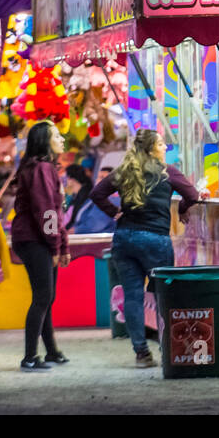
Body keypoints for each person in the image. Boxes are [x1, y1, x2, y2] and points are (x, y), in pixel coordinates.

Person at [91, 129, 204, 368]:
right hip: (155, 240)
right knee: (166, 295)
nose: (165, 147)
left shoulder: (124, 172)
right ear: (152, 148)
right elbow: (192, 195)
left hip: (124, 239)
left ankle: (142, 353)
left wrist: (114, 212)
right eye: (161, 143)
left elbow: (96, 193)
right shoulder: (167, 172)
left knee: (133, 296)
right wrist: (182, 209)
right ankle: (171, 349)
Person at [10, 121, 71, 371]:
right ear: (45, 141)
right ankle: (29, 357)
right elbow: (45, 211)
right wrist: (55, 246)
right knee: (43, 297)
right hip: (35, 240)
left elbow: (55, 212)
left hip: (39, 238)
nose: (62, 139)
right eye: (57, 135)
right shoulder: (41, 169)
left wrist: (62, 244)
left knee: (47, 296)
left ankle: (52, 352)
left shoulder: (43, 169)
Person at [64, 164, 116, 234]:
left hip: (91, 239)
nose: (98, 180)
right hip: (81, 233)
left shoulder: (111, 199)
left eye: (102, 178)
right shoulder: (95, 197)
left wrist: (73, 231)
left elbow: (94, 225)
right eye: (98, 177)